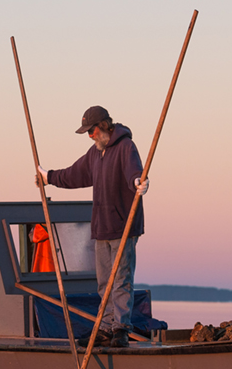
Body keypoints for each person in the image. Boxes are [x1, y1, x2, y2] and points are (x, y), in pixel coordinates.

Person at [36, 106, 149, 348]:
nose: (90, 136)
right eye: (88, 132)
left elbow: (134, 173)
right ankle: (106, 327)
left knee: (121, 279)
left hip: (123, 227)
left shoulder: (126, 147)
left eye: (92, 130)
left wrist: (138, 181)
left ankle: (121, 328)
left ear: (106, 125)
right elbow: (74, 175)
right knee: (104, 281)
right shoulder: (94, 154)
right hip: (102, 228)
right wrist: (49, 177)